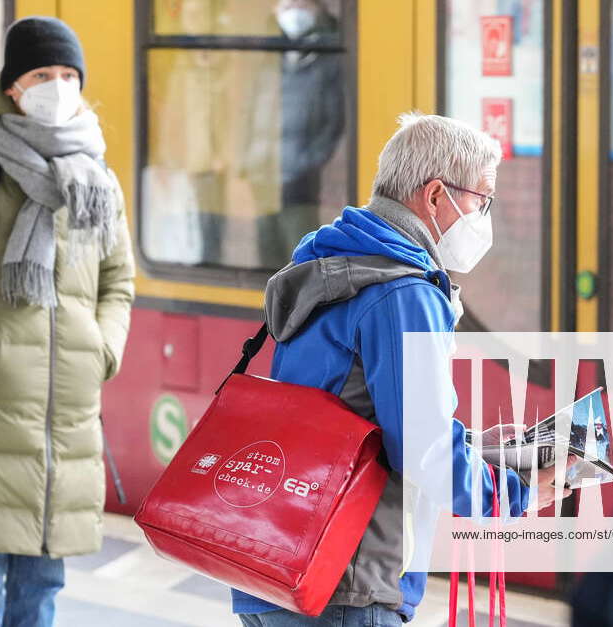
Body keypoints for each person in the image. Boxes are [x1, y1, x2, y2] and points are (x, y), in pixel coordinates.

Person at [234, 113, 571, 626]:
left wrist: (474, 447)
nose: (484, 218)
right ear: (435, 196)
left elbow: (357, 417)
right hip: (346, 584)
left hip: (278, 567)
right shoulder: (405, 293)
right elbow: (420, 450)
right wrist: (516, 494)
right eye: (482, 201)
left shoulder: (332, 264)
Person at [0, 16, 136, 627]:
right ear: (12, 86)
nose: (58, 86)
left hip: (68, 413)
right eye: (43, 74)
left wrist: (102, 349)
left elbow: (119, 282)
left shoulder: (98, 180)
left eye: (69, 74)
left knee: (42, 589)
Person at [254, 0, 345, 268]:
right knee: (267, 256)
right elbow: (252, 108)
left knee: (301, 258)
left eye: (299, 3)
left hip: (300, 178)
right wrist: (250, 159)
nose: (291, 10)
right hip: (263, 172)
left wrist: (308, 163)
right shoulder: (270, 47)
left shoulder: (330, 50)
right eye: (285, 4)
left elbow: (334, 120)